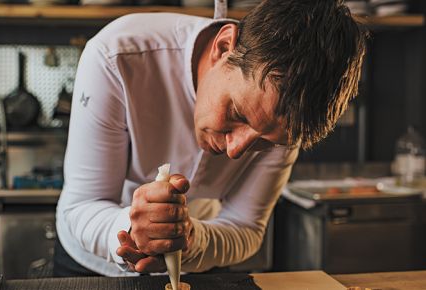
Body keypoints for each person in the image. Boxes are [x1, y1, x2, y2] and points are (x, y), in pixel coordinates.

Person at [53, 0, 366, 277]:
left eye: (266, 142)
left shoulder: (288, 117)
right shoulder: (117, 57)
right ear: (223, 48)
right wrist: (131, 232)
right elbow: (83, 205)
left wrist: (191, 240)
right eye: (239, 114)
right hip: (90, 261)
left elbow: (245, 228)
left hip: (200, 262)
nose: (235, 150)